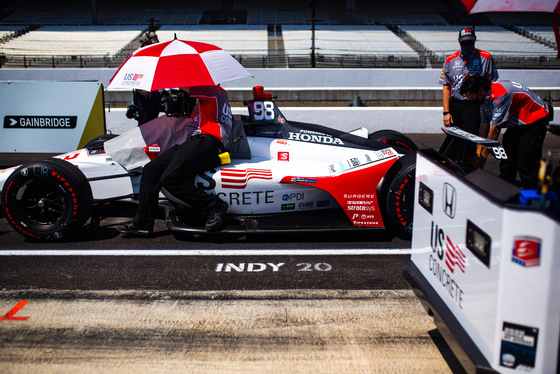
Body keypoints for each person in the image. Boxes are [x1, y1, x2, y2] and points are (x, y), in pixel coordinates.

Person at [117, 85, 232, 236]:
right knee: (151, 170)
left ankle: (214, 205)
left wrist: (159, 84)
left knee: (170, 178)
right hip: (197, 141)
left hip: (208, 141)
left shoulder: (210, 89)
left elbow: (185, 86)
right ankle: (143, 223)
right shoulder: (215, 92)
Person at [460, 74, 551, 189]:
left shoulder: (500, 95)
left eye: (471, 98)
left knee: (526, 160)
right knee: (507, 156)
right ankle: (506, 188)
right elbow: (484, 126)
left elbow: (495, 130)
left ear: (481, 91)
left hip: (535, 119)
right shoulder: (483, 98)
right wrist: (478, 153)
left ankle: (532, 194)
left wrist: (481, 159)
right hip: (518, 123)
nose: (471, 101)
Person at [438, 27, 499, 172]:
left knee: (470, 138)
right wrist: (446, 112)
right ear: (459, 42)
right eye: (464, 43)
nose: (467, 46)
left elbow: (493, 83)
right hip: (456, 105)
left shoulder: (486, 58)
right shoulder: (450, 60)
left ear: (475, 41)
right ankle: (448, 165)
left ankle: (468, 167)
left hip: (475, 105)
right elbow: (446, 87)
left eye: (470, 43)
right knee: (454, 136)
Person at [126, 30, 162, 125]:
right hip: (143, 96)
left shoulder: (155, 55)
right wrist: (140, 90)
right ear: (146, 42)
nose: (156, 44)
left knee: (154, 121)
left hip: (154, 94)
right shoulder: (138, 56)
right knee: (145, 122)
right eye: (154, 42)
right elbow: (133, 75)